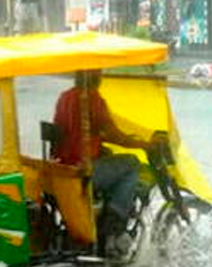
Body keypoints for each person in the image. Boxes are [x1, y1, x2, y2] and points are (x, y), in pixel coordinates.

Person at [52, 71, 152, 231]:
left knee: (109, 155)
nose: (100, 77)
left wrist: (102, 141)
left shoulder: (65, 97)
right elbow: (114, 134)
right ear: (93, 77)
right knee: (132, 163)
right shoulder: (92, 99)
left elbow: (83, 131)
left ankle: (103, 211)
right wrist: (144, 145)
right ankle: (116, 217)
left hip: (63, 168)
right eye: (98, 72)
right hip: (82, 171)